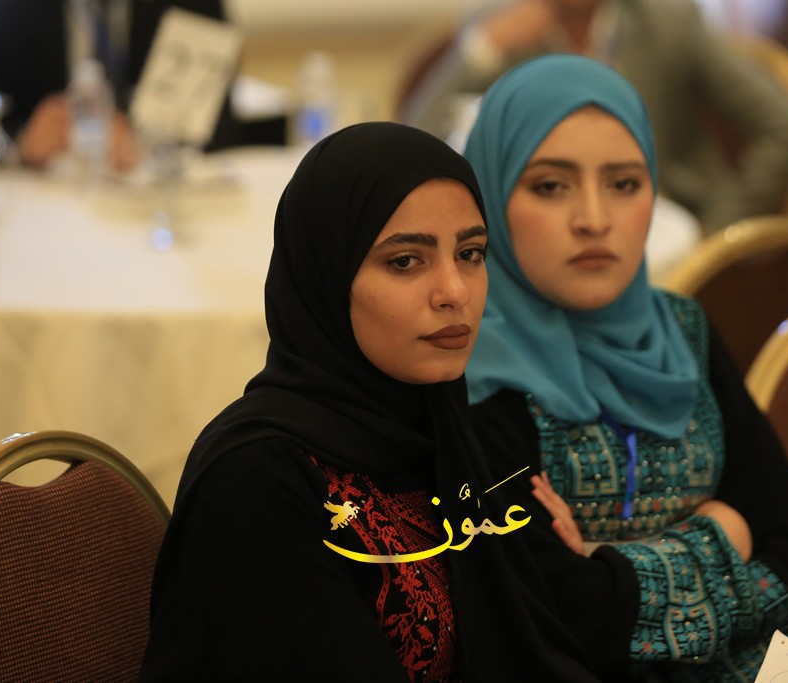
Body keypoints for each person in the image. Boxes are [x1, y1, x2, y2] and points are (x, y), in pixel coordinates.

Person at [139, 121, 607, 681]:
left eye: (470, 253)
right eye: (405, 261)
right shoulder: (257, 482)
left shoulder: (439, 422)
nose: (455, 291)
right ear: (328, 277)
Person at [461, 54, 788, 681]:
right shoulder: (472, 367)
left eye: (624, 184)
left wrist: (608, 562)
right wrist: (726, 532)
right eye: (550, 186)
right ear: (491, 195)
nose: (594, 219)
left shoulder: (683, 332)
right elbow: (551, 618)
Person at [400, 0, 788, 232]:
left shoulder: (668, 20)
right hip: (542, 241)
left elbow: (785, 124)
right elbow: (417, 143)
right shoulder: (502, 25)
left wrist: (720, 230)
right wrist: (485, 47)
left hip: (666, 231)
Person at [0, 0, 281, 167]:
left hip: (151, 217)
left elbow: (219, 129)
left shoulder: (193, 4)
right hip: (40, 223)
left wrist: (146, 143)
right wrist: (18, 142)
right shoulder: (3, 8)